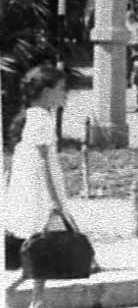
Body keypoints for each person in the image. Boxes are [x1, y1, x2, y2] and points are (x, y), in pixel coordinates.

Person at [2, 64, 74, 308]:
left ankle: (27, 290)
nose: (65, 93)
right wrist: (54, 199)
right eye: (61, 89)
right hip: (40, 189)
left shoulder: (33, 115)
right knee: (43, 240)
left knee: (39, 240)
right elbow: (43, 162)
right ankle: (36, 299)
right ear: (46, 92)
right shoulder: (42, 118)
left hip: (29, 185)